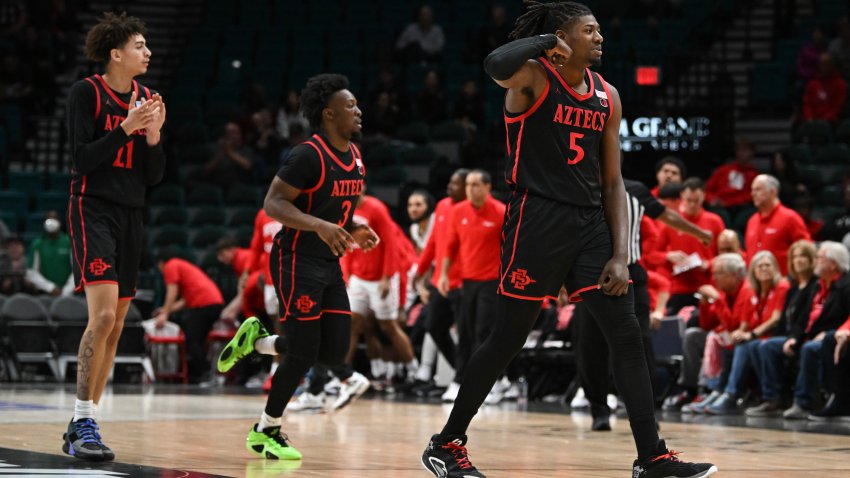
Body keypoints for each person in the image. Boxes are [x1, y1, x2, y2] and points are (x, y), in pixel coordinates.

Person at [420, 3, 717, 477]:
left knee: (626, 335)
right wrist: (543, 44)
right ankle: (446, 443)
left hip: (590, 224)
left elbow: (614, 183)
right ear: (562, 37)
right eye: (589, 30)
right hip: (535, 219)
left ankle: (652, 456)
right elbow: (493, 65)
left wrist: (621, 254)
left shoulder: (608, 95)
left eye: (600, 29)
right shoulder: (533, 77)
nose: (600, 37)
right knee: (507, 338)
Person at [215, 73, 378, 460]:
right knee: (304, 352)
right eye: (350, 106)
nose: (358, 111)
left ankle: (254, 343)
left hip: (329, 262)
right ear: (328, 114)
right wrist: (320, 226)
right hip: (295, 261)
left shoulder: (355, 156)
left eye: (357, 105)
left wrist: (355, 228)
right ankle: (266, 430)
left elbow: (336, 211)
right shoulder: (307, 154)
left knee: (335, 352)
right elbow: (274, 204)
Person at [63, 11, 165, 461]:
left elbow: (153, 176)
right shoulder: (86, 93)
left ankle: (85, 422)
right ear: (116, 54)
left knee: (119, 324)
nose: (148, 52)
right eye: (140, 46)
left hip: (132, 215)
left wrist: (154, 136)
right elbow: (81, 160)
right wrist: (126, 129)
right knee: (102, 319)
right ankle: (83, 419)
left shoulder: (147, 97)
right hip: (93, 209)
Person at [439, 170, 506, 404]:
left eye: (476, 184)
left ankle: (489, 383)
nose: (470, 189)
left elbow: (510, 249)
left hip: (492, 281)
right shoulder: (458, 211)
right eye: (468, 184)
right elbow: (450, 245)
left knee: (484, 333)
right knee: (465, 333)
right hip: (468, 280)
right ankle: (459, 380)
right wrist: (444, 275)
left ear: (487, 187)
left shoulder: (500, 212)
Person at [745, 240, 818, 417]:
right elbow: (784, 322)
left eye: (803, 256)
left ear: (811, 260)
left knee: (766, 346)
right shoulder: (793, 288)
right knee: (755, 345)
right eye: (795, 257)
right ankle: (770, 396)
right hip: (789, 335)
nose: (799, 260)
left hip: (803, 336)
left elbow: (806, 318)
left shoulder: (815, 285)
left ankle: (775, 397)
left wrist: (794, 338)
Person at [415, 169, 468, 401]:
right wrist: (420, 271)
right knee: (434, 326)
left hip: (465, 281)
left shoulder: (470, 209)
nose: (449, 187)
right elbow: (434, 241)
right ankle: (462, 372)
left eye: (455, 184)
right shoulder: (444, 206)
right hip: (441, 280)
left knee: (468, 333)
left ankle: (461, 380)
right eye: (450, 182)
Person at [154, 250, 224, 384]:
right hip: (213, 303)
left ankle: (208, 375)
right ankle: (207, 374)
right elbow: (185, 301)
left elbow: (172, 291)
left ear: (161, 263)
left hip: (204, 304)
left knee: (193, 341)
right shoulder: (183, 267)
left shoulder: (170, 266)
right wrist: (165, 310)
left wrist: (165, 314)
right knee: (198, 341)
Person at [745, 174, 810, 275]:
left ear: (773, 191)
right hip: (756, 285)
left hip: (783, 283)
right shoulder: (752, 221)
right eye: (752, 190)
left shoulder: (790, 218)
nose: (753, 194)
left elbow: (806, 251)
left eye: (758, 190)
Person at [28, 210, 72, 291]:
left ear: (60, 222)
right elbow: (32, 272)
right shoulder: (38, 244)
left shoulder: (69, 242)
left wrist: (66, 291)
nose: (51, 222)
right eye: (48, 219)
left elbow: (76, 270)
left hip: (68, 292)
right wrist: (50, 288)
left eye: (54, 218)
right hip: (45, 293)